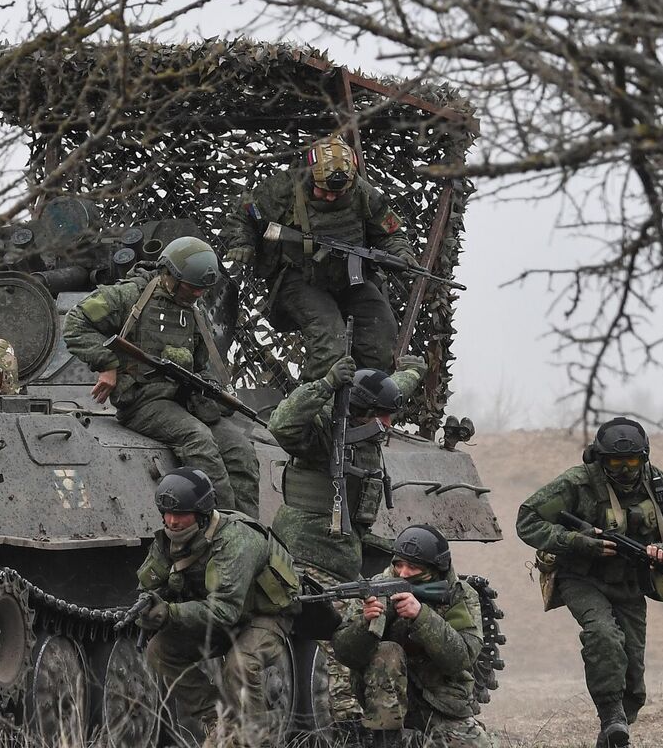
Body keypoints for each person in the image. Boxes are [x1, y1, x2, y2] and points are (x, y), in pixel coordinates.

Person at [516, 417, 663, 747]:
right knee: (603, 635)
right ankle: (610, 715)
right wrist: (579, 542)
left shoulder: (661, 485)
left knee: (634, 682)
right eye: (615, 463)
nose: (625, 470)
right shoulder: (576, 484)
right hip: (580, 578)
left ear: (644, 458)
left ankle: (613, 733)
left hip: (630, 584)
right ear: (600, 458)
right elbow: (527, 520)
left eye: (632, 462)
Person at [267, 353, 427, 731]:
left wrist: (413, 371)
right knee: (346, 634)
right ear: (359, 411)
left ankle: (397, 717)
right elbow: (281, 424)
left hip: (345, 554)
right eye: (382, 417)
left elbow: (393, 390)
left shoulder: (372, 422)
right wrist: (324, 384)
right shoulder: (321, 431)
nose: (389, 426)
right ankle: (348, 727)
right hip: (307, 555)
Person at [62, 235, 261, 515]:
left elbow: (201, 364)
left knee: (240, 450)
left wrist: (212, 388)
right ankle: (222, 528)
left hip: (185, 401)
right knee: (198, 440)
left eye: (202, 290)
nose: (197, 295)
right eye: (192, 287)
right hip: (143, 401)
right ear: (171, 274)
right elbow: (75, 323)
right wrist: (107, 363)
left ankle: (249, 530)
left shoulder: (193, 310)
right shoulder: (130, 296)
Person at [220, 135, 418, 380]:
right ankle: (314, 408)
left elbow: (392, 232)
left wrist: (402, 254)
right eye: (324, 191)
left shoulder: (364, 194)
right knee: (330, 341)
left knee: (381, 329)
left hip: (350, 278)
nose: (331, 197)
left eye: (339, 192)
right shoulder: (284, 188)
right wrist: (242, 243)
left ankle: (365, 403)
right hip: (301, 278)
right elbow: (244, 213)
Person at [133, 467, 301, 745]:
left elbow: (224, 610)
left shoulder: (235, 541)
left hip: (264, 614)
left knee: (240, 664)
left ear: (200, 515)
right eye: (167, 514)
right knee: (160, 650)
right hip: (222, 616)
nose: (172, 522)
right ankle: (217, 720)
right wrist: (149, 611)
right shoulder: (168, 541)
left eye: (181, 515)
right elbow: (149, 585)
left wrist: (170, 613)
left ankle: (252, 739)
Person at [333, 526, 494, 748]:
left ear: (436, 568)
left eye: (413, 567)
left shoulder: (459, 595)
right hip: (384, 701)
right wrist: (365, 623)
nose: (403, 573)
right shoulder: (377, 587)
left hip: (439, 703)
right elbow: (344, 653)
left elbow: (462, 658)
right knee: (387, 650)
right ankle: (385, 741)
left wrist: (422, 616)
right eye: (398, 564)